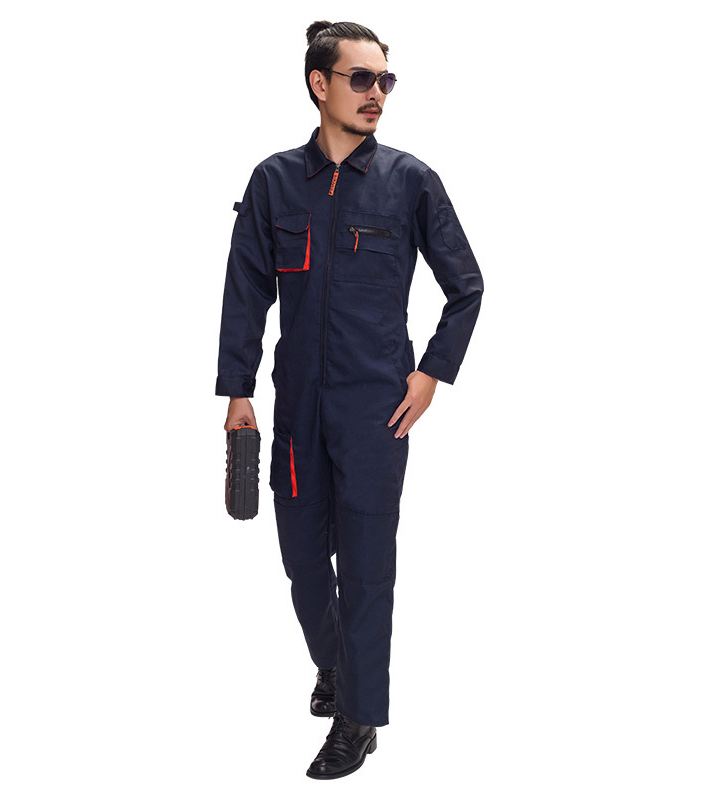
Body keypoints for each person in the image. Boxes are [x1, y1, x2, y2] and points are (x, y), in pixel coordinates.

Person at [215, 20, 484, 779]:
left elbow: (467, 286)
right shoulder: (274, 182)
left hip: (375, 411)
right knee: (303, 559)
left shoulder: (410, 181)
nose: (377, 94)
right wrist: (237, 391)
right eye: (361, 78)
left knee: (366, 567)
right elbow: (245, 293)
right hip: (297, 406)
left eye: (385, 81)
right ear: (319, 83)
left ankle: (360, 718)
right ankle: (336, 665)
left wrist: (430, 374)